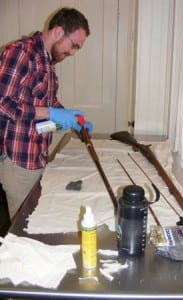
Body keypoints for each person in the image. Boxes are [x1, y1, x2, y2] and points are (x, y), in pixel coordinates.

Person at [0, 7, 93, 220]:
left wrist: (71, 118)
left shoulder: (47, 62)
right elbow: (2, 103)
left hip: (37, 156)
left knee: (39, 218)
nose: (72, 53)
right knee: (26, 227)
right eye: (74, 45)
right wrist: (50, 112)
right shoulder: (21, 53)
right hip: (18, 161)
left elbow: (47, 103)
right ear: (59, 32)